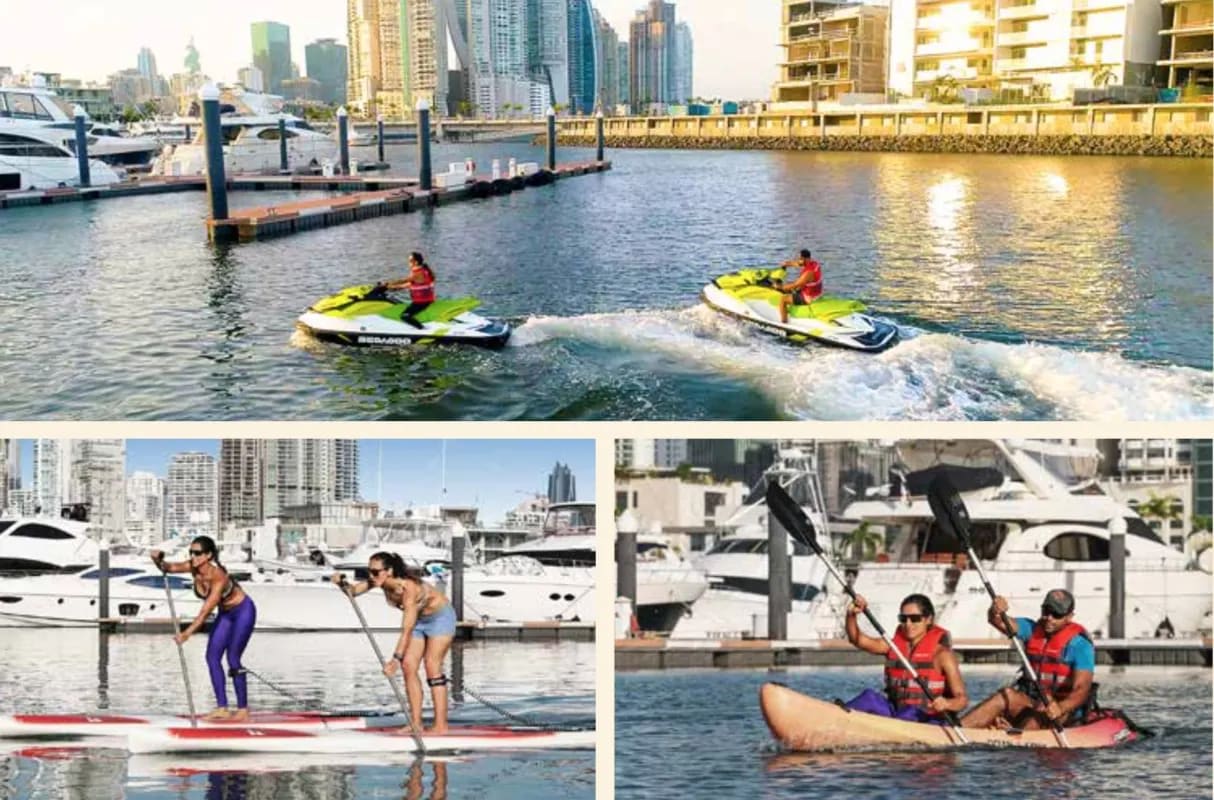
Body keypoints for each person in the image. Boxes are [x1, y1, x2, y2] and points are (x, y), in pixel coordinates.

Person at [332, 552, 456, 734]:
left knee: (432, 667)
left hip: (440, 619)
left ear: (389, 571)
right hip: (419, 622)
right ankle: (416, 723)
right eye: (369, 571)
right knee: (408, 666)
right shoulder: (379, 581)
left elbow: (406, 629)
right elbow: (353, 592)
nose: (371, 576)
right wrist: (341, 583)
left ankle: (441, 726)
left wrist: (394, 659)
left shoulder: (409, 588)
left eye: (375, 572)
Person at [152, 536, 257, 722]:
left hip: (243, 612)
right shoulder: (193, 567)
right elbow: (167, 568)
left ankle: (242, 709)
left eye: (198, 553)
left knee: (233, 658)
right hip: (225, 614)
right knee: (212, 657)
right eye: (191, 552)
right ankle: (222, 708)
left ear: (208, 555)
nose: (193, 556)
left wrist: (186, 634)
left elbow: (205, 612)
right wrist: (157, 559)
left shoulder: (218, 576)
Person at [961, 589, 1095, 730]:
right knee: (1006, 694)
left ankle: (1018, 737)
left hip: (1063, 711)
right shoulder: (1031, 628)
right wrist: (994, 610)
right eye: (1046, 611)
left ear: (1069, 617)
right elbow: (998, 621)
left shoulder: (1080, 645)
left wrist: (1060, 708)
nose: (1049, 618)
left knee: (1037, 716)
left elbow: (1082, 689)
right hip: (1033, 702)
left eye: (1056, 614)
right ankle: (958, 730)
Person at [841, 593, 968, 723]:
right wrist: (852, 615)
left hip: (926, 717)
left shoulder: (943, 655)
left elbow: (962, 699)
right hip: (896, 712)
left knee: (909, 712)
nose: (908, 624)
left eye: (915, 618)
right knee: (869, 698)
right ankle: (838, 717)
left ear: (928, 619)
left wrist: (947, 704)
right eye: (903, 618)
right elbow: (857, 640)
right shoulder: (892, 646)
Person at [382, 251, 437, 329]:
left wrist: (387, 283)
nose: (408, 263)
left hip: (422, 301)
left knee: (405, 316)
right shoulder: (422, 270)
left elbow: (404, 280)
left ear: (416, 262)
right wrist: (390, 287)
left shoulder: (418, 273)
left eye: (410, 261)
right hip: (422, 300)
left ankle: (423, 329)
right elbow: (407, 285)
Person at [775, 248, 823, 323]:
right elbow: (798, 264)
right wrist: (787, 264)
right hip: (816, 294)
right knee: (791, 288)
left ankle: (783, 322)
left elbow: (795, 285)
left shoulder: (808, 274)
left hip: (808, 298)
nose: (799, 260)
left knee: (783, 299)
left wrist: (780, 287)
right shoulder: (814, 264)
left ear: (806, 259)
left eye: (800, 258)